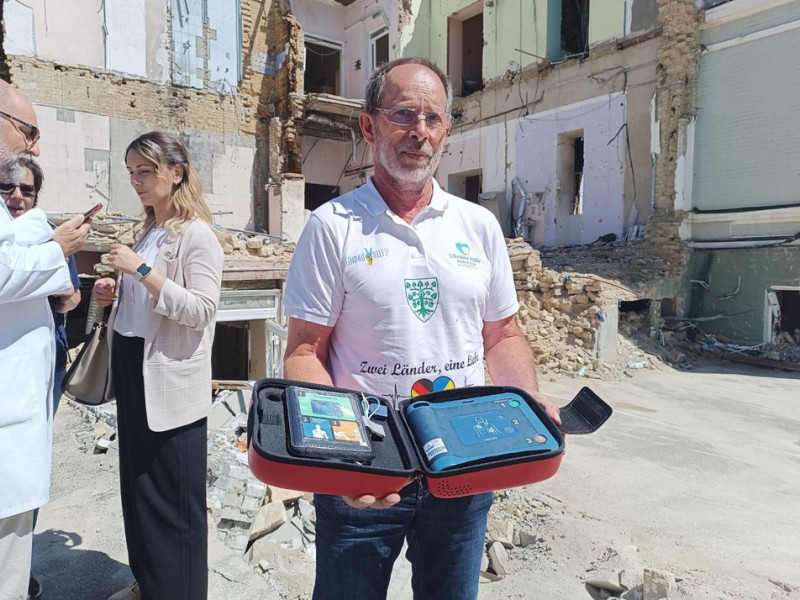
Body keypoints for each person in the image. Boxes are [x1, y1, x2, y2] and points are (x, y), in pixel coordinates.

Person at [282, 57, 562, 600]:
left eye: (433, 118)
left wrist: (527, 399)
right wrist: (341, 462)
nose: (420, 132)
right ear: (369, 126)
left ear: (447, 130)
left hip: (463, 462)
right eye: (404, 114)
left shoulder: (478, 226)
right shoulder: (332, 227)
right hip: (369, 470)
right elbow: (305, 351)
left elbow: (502, 335)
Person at [93, 131, 224, 600]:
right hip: (135, 371)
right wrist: (111, 294)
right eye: (131, 172)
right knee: (139, 488)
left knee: (175, 504)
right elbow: (144, 305)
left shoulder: (198, 235)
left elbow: (202, 310)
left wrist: (141, 271)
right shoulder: (148, 231)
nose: (136, 181)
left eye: (145, 171)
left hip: (171, 381)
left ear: (176, 172)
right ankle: (149, 584)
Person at [0, 80, 91, 600]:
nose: (34, 145)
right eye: (28, 131)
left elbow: (68, 297)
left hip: (33, 381)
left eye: (26, 191)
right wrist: (55, 250)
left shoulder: (40, 229)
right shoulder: (42, 235)